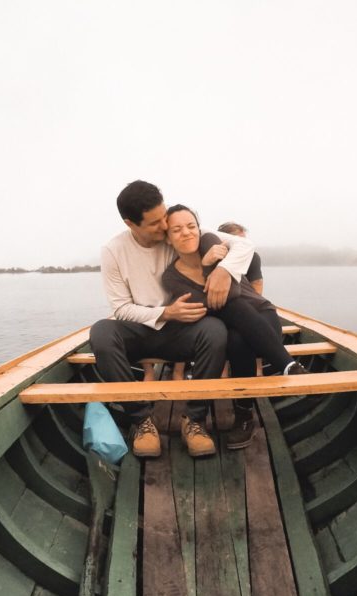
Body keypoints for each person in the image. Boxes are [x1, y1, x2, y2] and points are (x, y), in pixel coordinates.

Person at [90, 180, 256, 459]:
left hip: (181, 332)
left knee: (215, 330)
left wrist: (223, 271)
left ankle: (194, 419)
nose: (165, 226)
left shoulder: (178, 232)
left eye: (164, 216)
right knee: (101, 333)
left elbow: (243, 245)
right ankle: (141, 420)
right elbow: (121, 308)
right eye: (155, 223)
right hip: (141, 331)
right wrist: (165, 312)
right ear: (131, 224)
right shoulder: (112, 251)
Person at [163, 205, 306, 449]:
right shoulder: (170, 277)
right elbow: (204, 305)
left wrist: (214, 267)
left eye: (191, 226)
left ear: (199, 228)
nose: (186, 233)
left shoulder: (210, 241)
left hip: (262, 319)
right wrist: (209, 270)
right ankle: (279, 376)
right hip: (230, 329)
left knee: (234, 319)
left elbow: (233, 291)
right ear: (167, 237)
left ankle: (281, 371)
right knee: (235, 337)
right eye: (176, 229)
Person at [218, 221, 263, 294]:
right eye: (240, 241)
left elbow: (257, 285)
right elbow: (257, 285)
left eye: (245, 241)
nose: (244, 245)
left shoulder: (252, 257)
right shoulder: (214, 256)